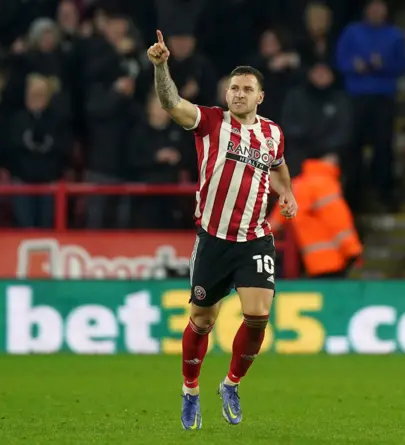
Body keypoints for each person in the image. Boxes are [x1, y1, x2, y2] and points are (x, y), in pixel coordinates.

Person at [147, 30, 298, 430]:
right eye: (234, 88)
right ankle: (190, 390)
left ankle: (231, 384)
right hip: (213, 238)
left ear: (260, 97)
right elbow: (171, 103)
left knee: (258, 314)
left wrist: (288, 193)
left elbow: (279, 166)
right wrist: (162, 67)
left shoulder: (272, 134)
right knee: (202, 321)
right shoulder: (211, 121)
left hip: (254, 237)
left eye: (247, 89)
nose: (239, 94)